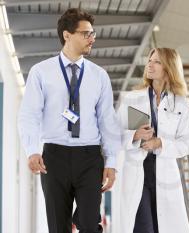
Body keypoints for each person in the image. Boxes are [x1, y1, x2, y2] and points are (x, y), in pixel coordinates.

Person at [17, 8, 121, 233]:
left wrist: (111, 162)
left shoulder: (99, 75)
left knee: (90, 225)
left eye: (93, 33)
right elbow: (29, 114)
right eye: (86, 33)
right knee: (57, 226)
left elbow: (107, 120)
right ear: (67, 35)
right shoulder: (41, 72)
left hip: (89, 156)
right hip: (54, 156)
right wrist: (32, 149)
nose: (91, 38)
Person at [115, 48, 189, 233]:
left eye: (157, 61)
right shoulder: (132, 98)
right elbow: (112, 135)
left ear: (169, 67)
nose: (150, 64)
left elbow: (185, 145)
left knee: (162, 227)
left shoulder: (180, 103)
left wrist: (160, 143)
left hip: (165, 173)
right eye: (150, 60)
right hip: (138, 172)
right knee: (143, 228)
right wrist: (134, 135)